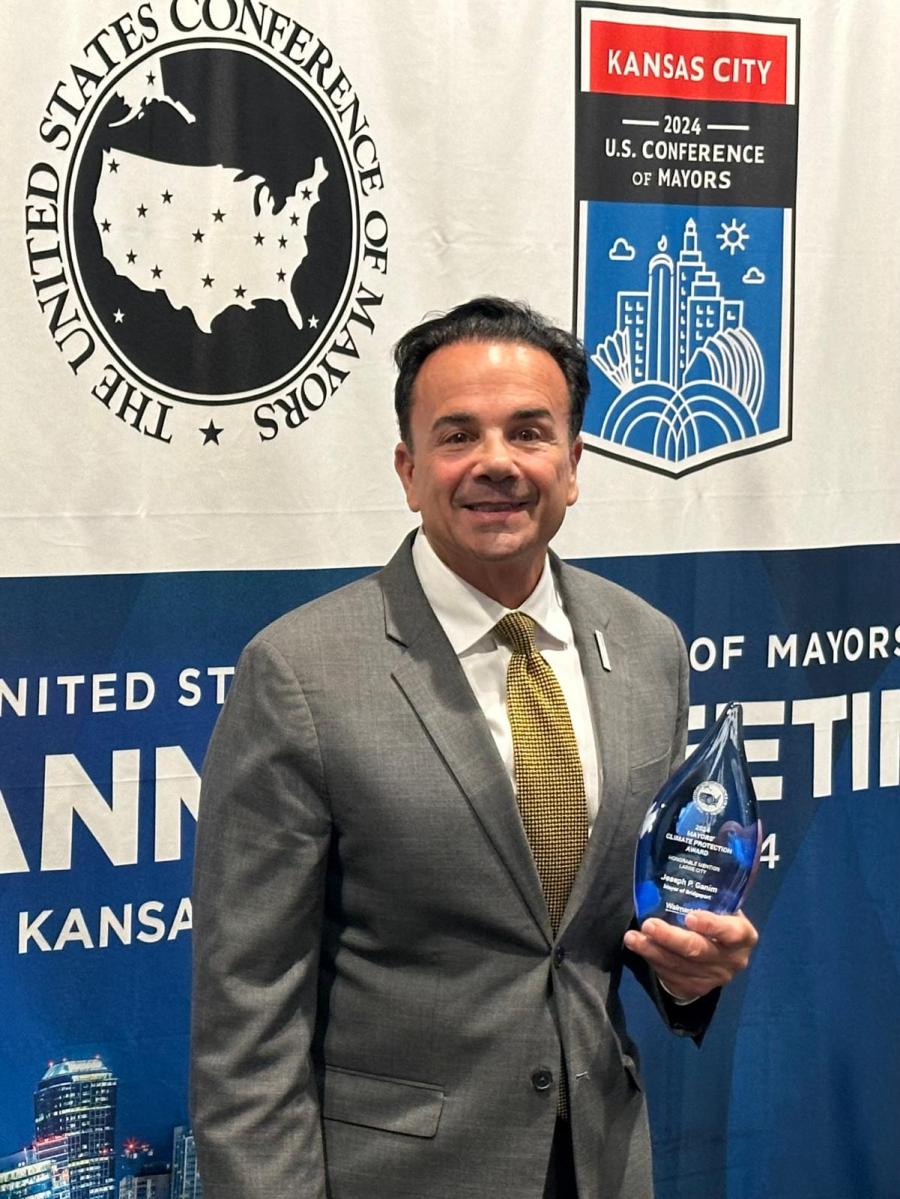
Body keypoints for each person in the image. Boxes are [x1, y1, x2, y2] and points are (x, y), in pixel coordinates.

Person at [190, 296, 758, 1199]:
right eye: (458, 436)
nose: (496, 462)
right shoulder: (299, 671)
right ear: (409, 471)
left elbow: (606, 934)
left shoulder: (649, 646)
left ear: (573, 466)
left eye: (529, 432)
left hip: (604, 1165)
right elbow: (246, 1021)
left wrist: (691, 973)